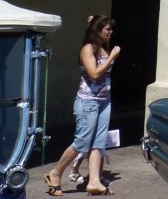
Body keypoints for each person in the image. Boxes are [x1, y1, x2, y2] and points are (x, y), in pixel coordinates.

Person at [44, 15, 121, 196]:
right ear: (98, 31)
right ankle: (55, 173)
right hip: (87, 102)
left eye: (111, 29)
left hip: (104, 101)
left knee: (98, 142)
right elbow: (94, 74)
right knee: (82, 142)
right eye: (107, 29)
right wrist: (112, 58)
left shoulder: (102, 48)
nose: (111, 32)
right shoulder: (88, 49)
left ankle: (94, 181)